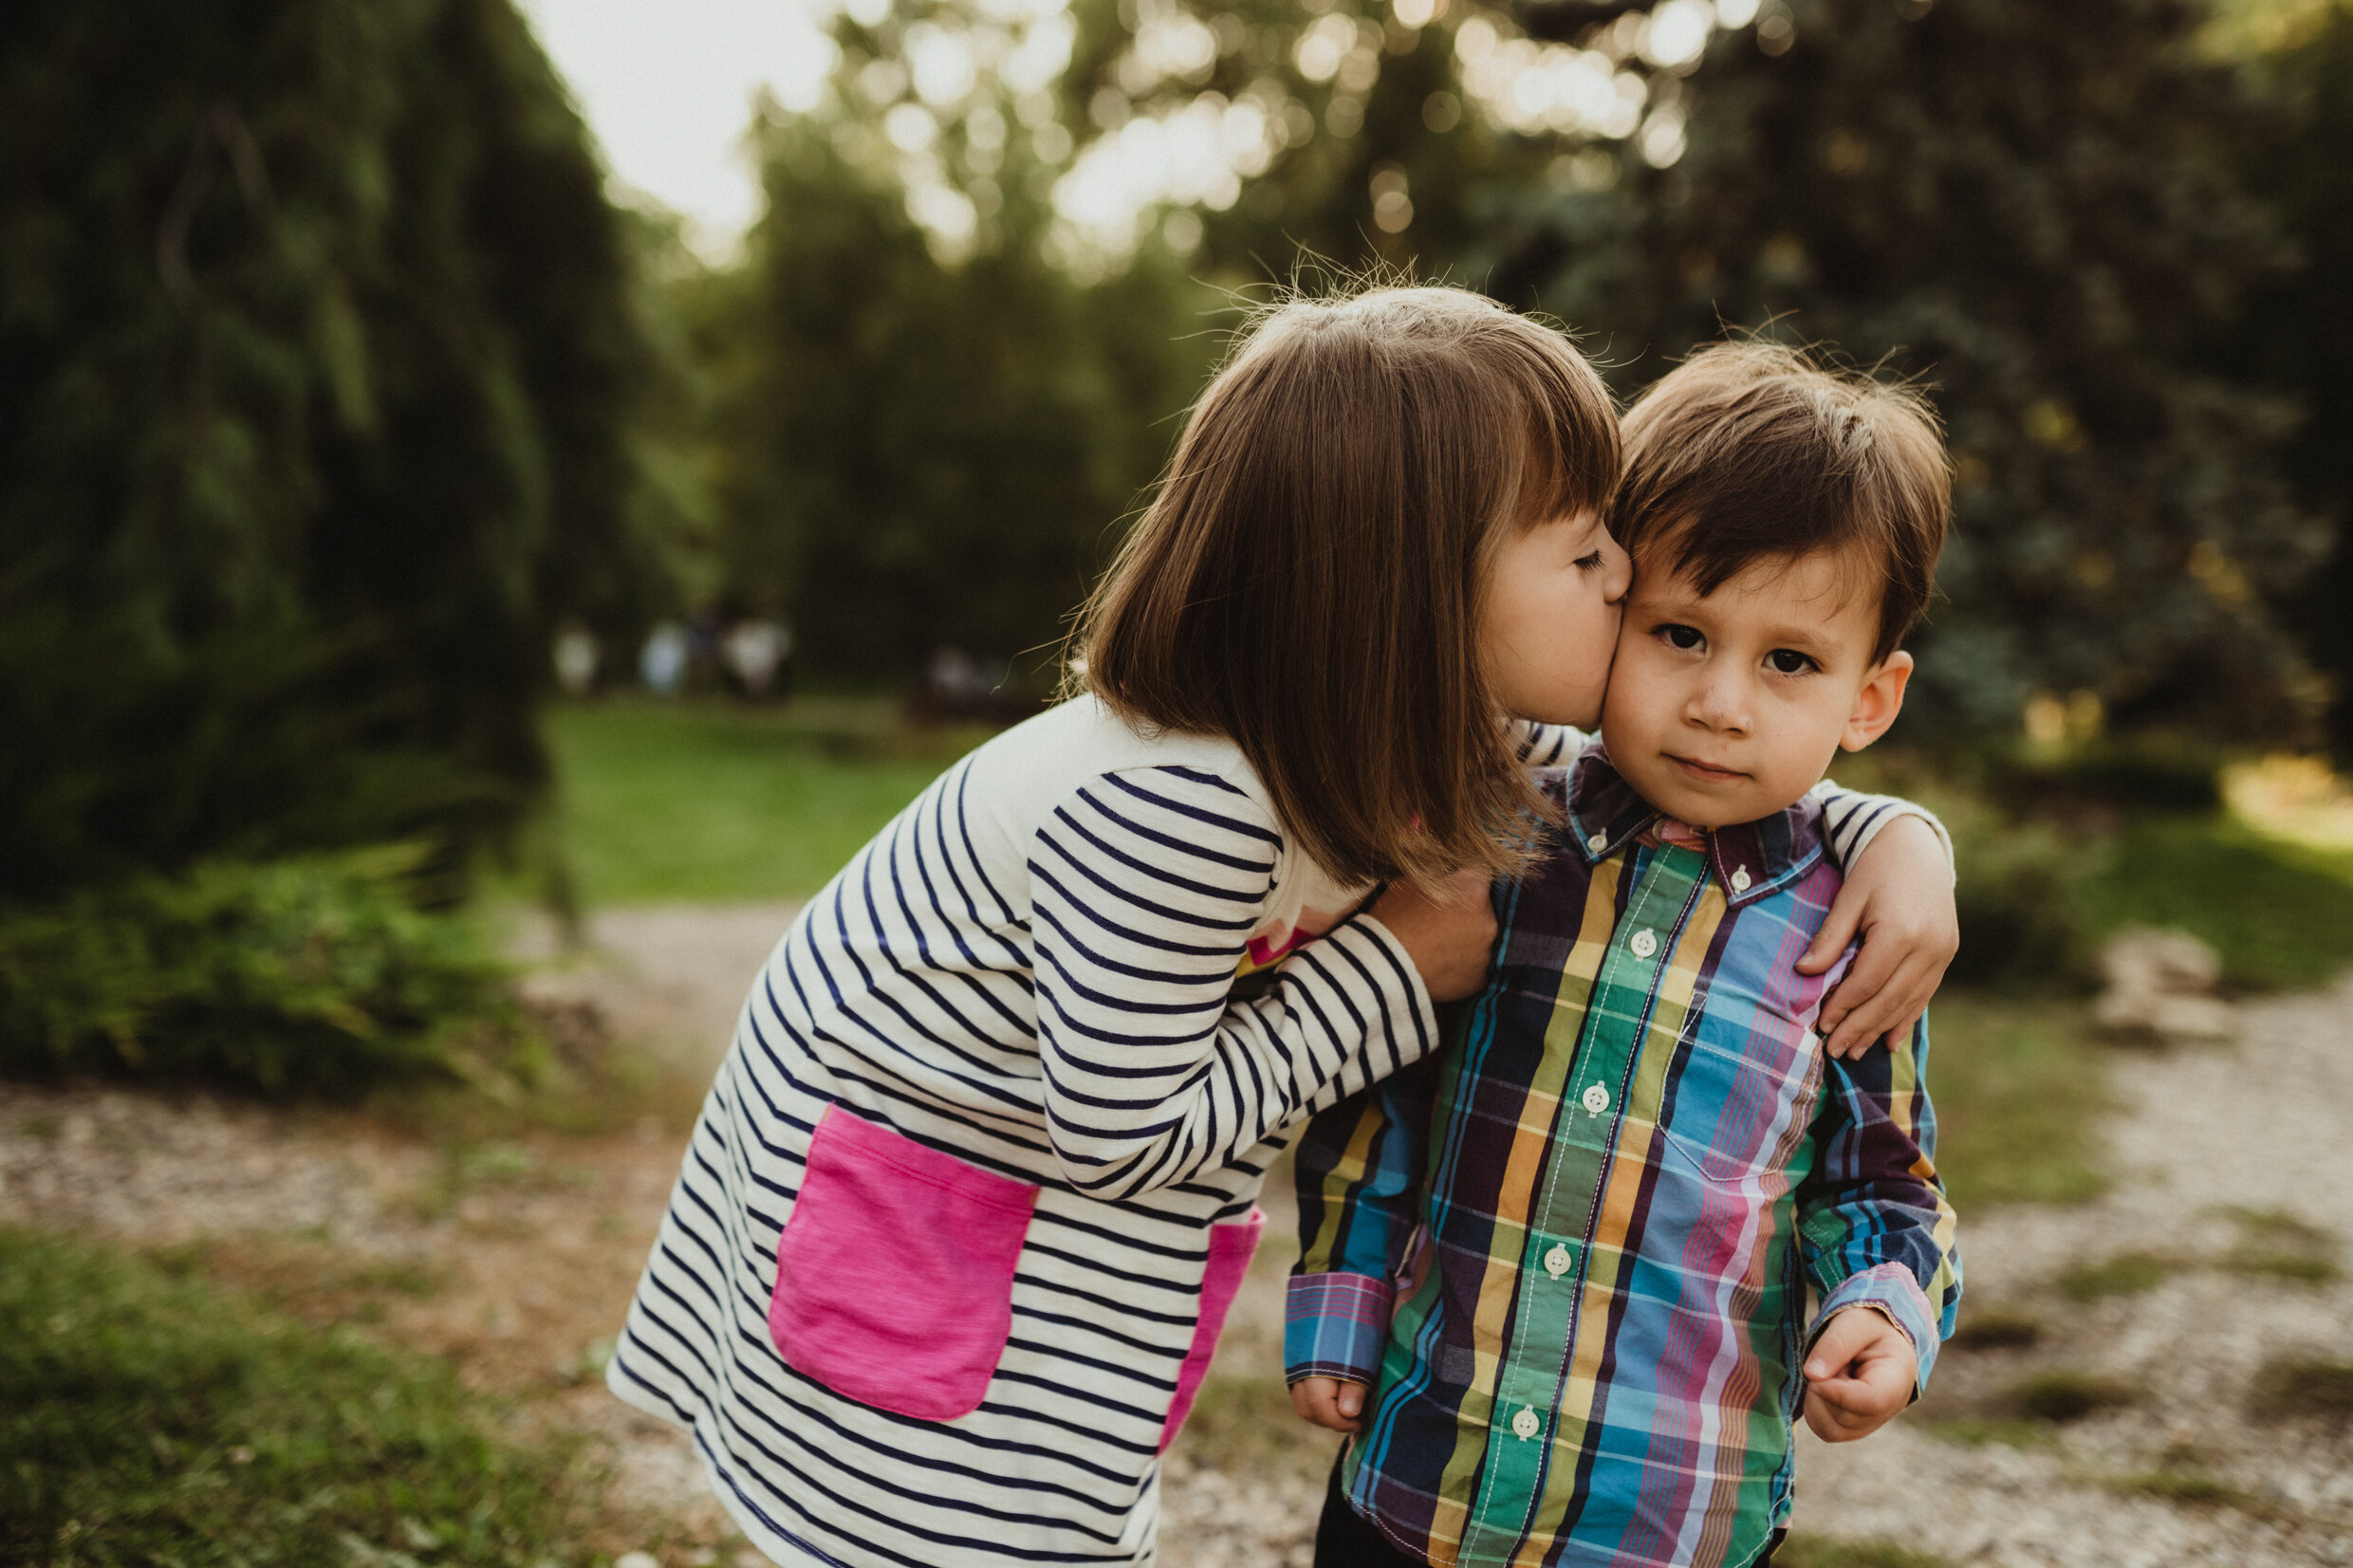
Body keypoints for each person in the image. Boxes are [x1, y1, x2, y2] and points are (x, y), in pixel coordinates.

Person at [606, 291, 1959, 1568]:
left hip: (1014, 1212)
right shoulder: (1188, 795)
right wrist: (1396, 966)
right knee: (944, 1527)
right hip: (929, 1195)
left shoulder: (1395, 723)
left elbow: (1706, 789)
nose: (1622, 582)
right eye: (1587, 548)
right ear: (1431, 590)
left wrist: (1898, 837)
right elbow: (1126, 1130)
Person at [1289, 342, 1965, 1568]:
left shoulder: (1854, 923)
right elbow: (1384, 1087)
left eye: (1790, 662)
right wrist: (1342, 1289)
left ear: (1870, 698)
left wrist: (1886, 1308)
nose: (1721, 701)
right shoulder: (1495, 832)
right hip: (1419, 1482)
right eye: (1680, 633)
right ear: (1614, 612)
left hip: (1666, 1519)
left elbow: (1884, 1178)